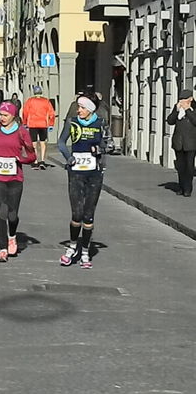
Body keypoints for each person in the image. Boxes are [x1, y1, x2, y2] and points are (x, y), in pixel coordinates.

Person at [57, 92, 114, 269]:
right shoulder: (72, 122)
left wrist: (100, 149)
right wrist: (69, 157)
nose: (78, 110)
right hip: (75, 173)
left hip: (94, 173)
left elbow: (110, 145)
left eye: (82, 107)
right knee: (77, 214)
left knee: (88, 215)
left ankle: (85, 252)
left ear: (89, 109)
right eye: (78, 107)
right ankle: (72, 246)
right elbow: (61, 142)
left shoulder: (100, 123)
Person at [0, 101, 36, 263]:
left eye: (5, 115)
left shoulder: (22, 132)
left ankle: (12, 236)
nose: (2, 118)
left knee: (13, 215)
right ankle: (3, 249)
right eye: (0, 115)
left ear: (13, 116)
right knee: (2, 211)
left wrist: (21, 159)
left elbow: (32, 156)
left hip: (15, 178)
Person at [167, 89, 196, 197]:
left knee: (189, 167)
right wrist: (176, 110)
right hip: (178, 142)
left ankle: (188, 189)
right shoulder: (178, 109)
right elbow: (170, 121)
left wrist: (188, 110)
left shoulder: (194, 109)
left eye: (184, 99)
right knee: (181, 166)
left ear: (190, 99)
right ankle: (181, 187)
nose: (182, 102)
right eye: (180, 99)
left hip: (191, 143)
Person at [22, 85, 55, 170]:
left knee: (34, 143)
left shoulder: (30, 101)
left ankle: (36, 160)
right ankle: (42, 160)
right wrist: (51, 124)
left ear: (34, 92)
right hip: (43, 124)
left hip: (32, 124)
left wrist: (25, 123)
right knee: (43, 143)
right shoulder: (46, 101)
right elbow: (52, 113)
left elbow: (25, 112)